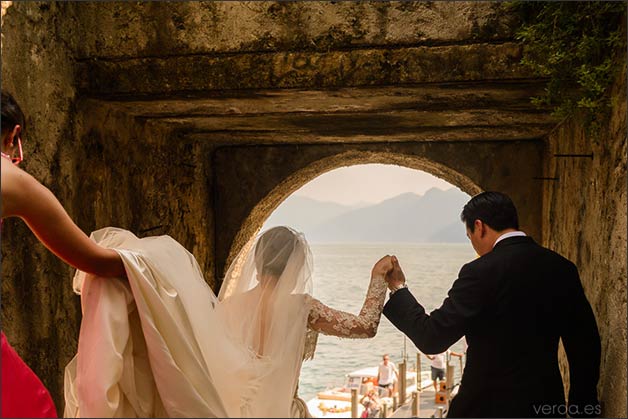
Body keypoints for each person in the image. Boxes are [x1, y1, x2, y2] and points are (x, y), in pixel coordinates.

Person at [64, 226, 393, 417]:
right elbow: (365, 326)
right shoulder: (304, 308)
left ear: (259, 260)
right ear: (295, 265)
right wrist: (378, 278)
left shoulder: (229, 306)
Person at [382, 192, 601, 418]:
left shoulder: (479, 272)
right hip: (544, 407)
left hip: (484, 408)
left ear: (480, 227)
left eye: (470, 237)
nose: (474, 245)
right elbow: (584, 343)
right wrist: (583, 408)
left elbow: (432, 337)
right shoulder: (562, 268)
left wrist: (398, 288)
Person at [1, 91, 126, 418]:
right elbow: (94, 260)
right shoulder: (9, 179)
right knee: (34, 409)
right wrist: (147, 266)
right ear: (13, 136)